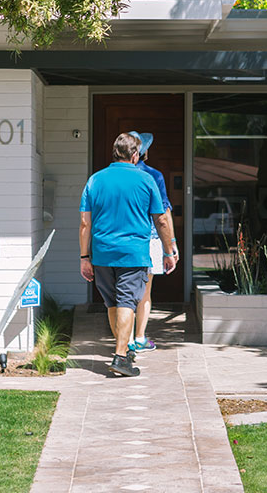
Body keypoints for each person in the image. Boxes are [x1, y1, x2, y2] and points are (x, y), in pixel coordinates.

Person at [79, 132, 177, 377]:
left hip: (101, 253)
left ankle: (122, 350)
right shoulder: (146, 180)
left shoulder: (95, 180)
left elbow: (84, 223)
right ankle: (121, 357)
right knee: (126, 302)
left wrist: (84, 257)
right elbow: (162, 220)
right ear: (135, 155)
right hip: (132, 254)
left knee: (112, 303)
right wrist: (169, 251)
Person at [127, 131, 177, 353]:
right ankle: (139, 337)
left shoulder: (115, 175)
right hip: (151, 238)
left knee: (125, 292)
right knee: (145, 292)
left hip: (125, 239)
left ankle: (126, 340)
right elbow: (164, 213)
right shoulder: (154, 176)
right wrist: (172, 245)